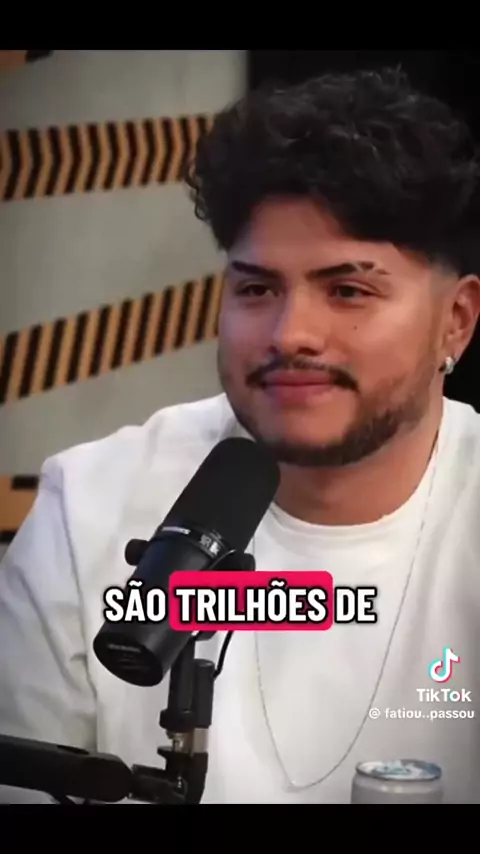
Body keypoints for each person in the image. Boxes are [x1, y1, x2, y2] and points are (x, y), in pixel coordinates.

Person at [1, 66, 480, 805]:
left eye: (347, 290)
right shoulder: (88, 504)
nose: (291, 334)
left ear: (456, 321)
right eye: (257, 289)